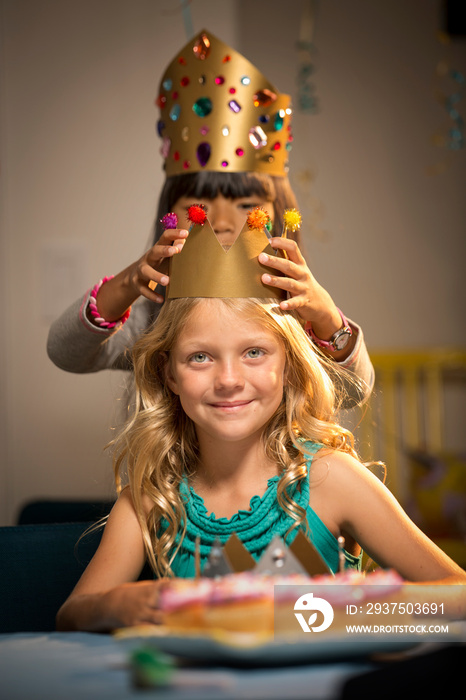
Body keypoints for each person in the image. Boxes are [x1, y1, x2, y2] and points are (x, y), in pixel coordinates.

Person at [56, 216, 465, 633]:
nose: (229, 380)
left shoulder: (331, 479)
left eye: (254, 352)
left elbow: (458, 592)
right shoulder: (150, 499)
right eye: (200, 357)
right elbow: (72, 613)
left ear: (288, 366)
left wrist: (356, 608)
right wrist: (118, 603)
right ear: (170, 375)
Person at [46, 30, 374, 407]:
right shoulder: (153, 322)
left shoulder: (297, 318)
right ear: (169, 217)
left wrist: (328, 319)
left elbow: (353, 392)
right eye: (198, 208)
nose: (220, 221)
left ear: (280, 215)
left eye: (246, 204)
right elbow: (64, 351)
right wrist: (130, 281)